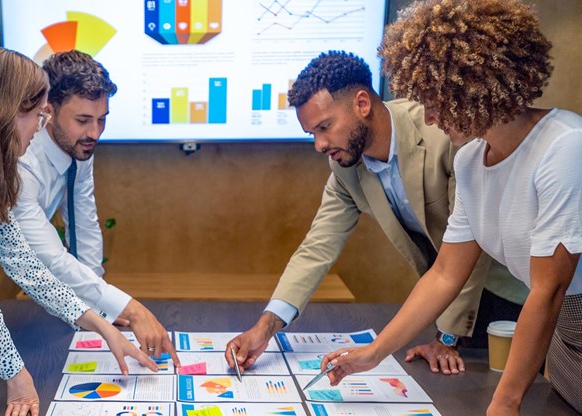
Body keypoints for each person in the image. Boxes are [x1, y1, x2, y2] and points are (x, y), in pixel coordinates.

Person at [320, 1, 582, 414]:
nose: (430, 115)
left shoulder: (565, 145)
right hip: (566, 345)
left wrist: (505, 403)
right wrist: (373, 353)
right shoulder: (470, 160)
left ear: (477, 85)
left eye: (435, 99)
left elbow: (549, 290)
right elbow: (444, 274)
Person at [226, 50, 527, 375]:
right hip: (443, 294)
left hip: (505, 291)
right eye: (312, 133)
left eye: (325, 126)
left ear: (362, 104)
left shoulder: (443, 136)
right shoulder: (346, 167)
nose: (319, 145)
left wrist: (447, 335)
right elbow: (317, 248)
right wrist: (266, 326)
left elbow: (474, 245)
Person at [0, 47, 158, 416]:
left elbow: (22, 261)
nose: (39, 126)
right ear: (6, 111)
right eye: (37, 115)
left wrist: (99, 323)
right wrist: (16, 375)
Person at [9, 49, 179, 363]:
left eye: (102, 120)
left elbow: (84, 224)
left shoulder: (79, 146)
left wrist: (101, 309)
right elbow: (48, 256)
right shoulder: (21, 159)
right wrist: (131, 309)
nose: (94, 133)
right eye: (83, 120)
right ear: (48, 110)